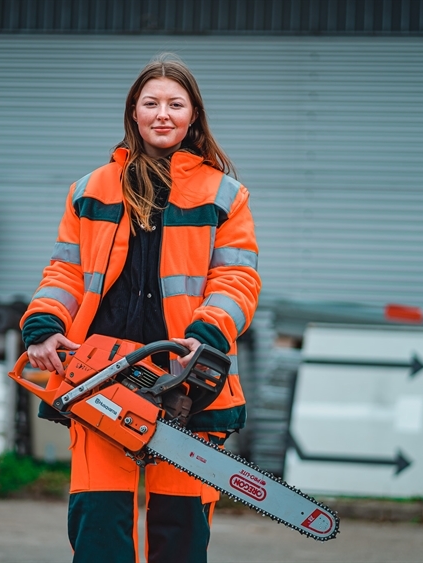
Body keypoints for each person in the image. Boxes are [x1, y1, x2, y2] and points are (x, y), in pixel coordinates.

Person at [20, 53, 261, 563]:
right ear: (133, 111)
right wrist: (43, 325)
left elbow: (237, 278)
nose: (163, 114)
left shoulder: (225, 195)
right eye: (150, 102)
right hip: (103, 376)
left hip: (185, 375)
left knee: (180, 528)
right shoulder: (90, 189)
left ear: (194, 114)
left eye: (176, 103)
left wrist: (208, 334)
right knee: (99, 525)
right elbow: (65, 271)